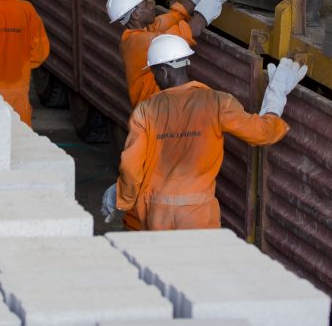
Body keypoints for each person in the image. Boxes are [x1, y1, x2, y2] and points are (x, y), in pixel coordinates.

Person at [101, 35, 306, 231]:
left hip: (158, 212)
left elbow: (131, 167)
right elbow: (262, 133)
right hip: (198, 212)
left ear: (163, 71)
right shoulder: (217, 102)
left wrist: (122, 197)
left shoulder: (146, 111)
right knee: (199, 264)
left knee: (161, 264)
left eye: (154, 73)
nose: (155, 79)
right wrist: (276, 95)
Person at [107, 0, 253, 109]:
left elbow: (178, 14)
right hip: (156, 114)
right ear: (136, 14)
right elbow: (193, 29)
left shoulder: (144, 31)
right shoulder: (139, 44)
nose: (152, 4)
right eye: (146, 3)